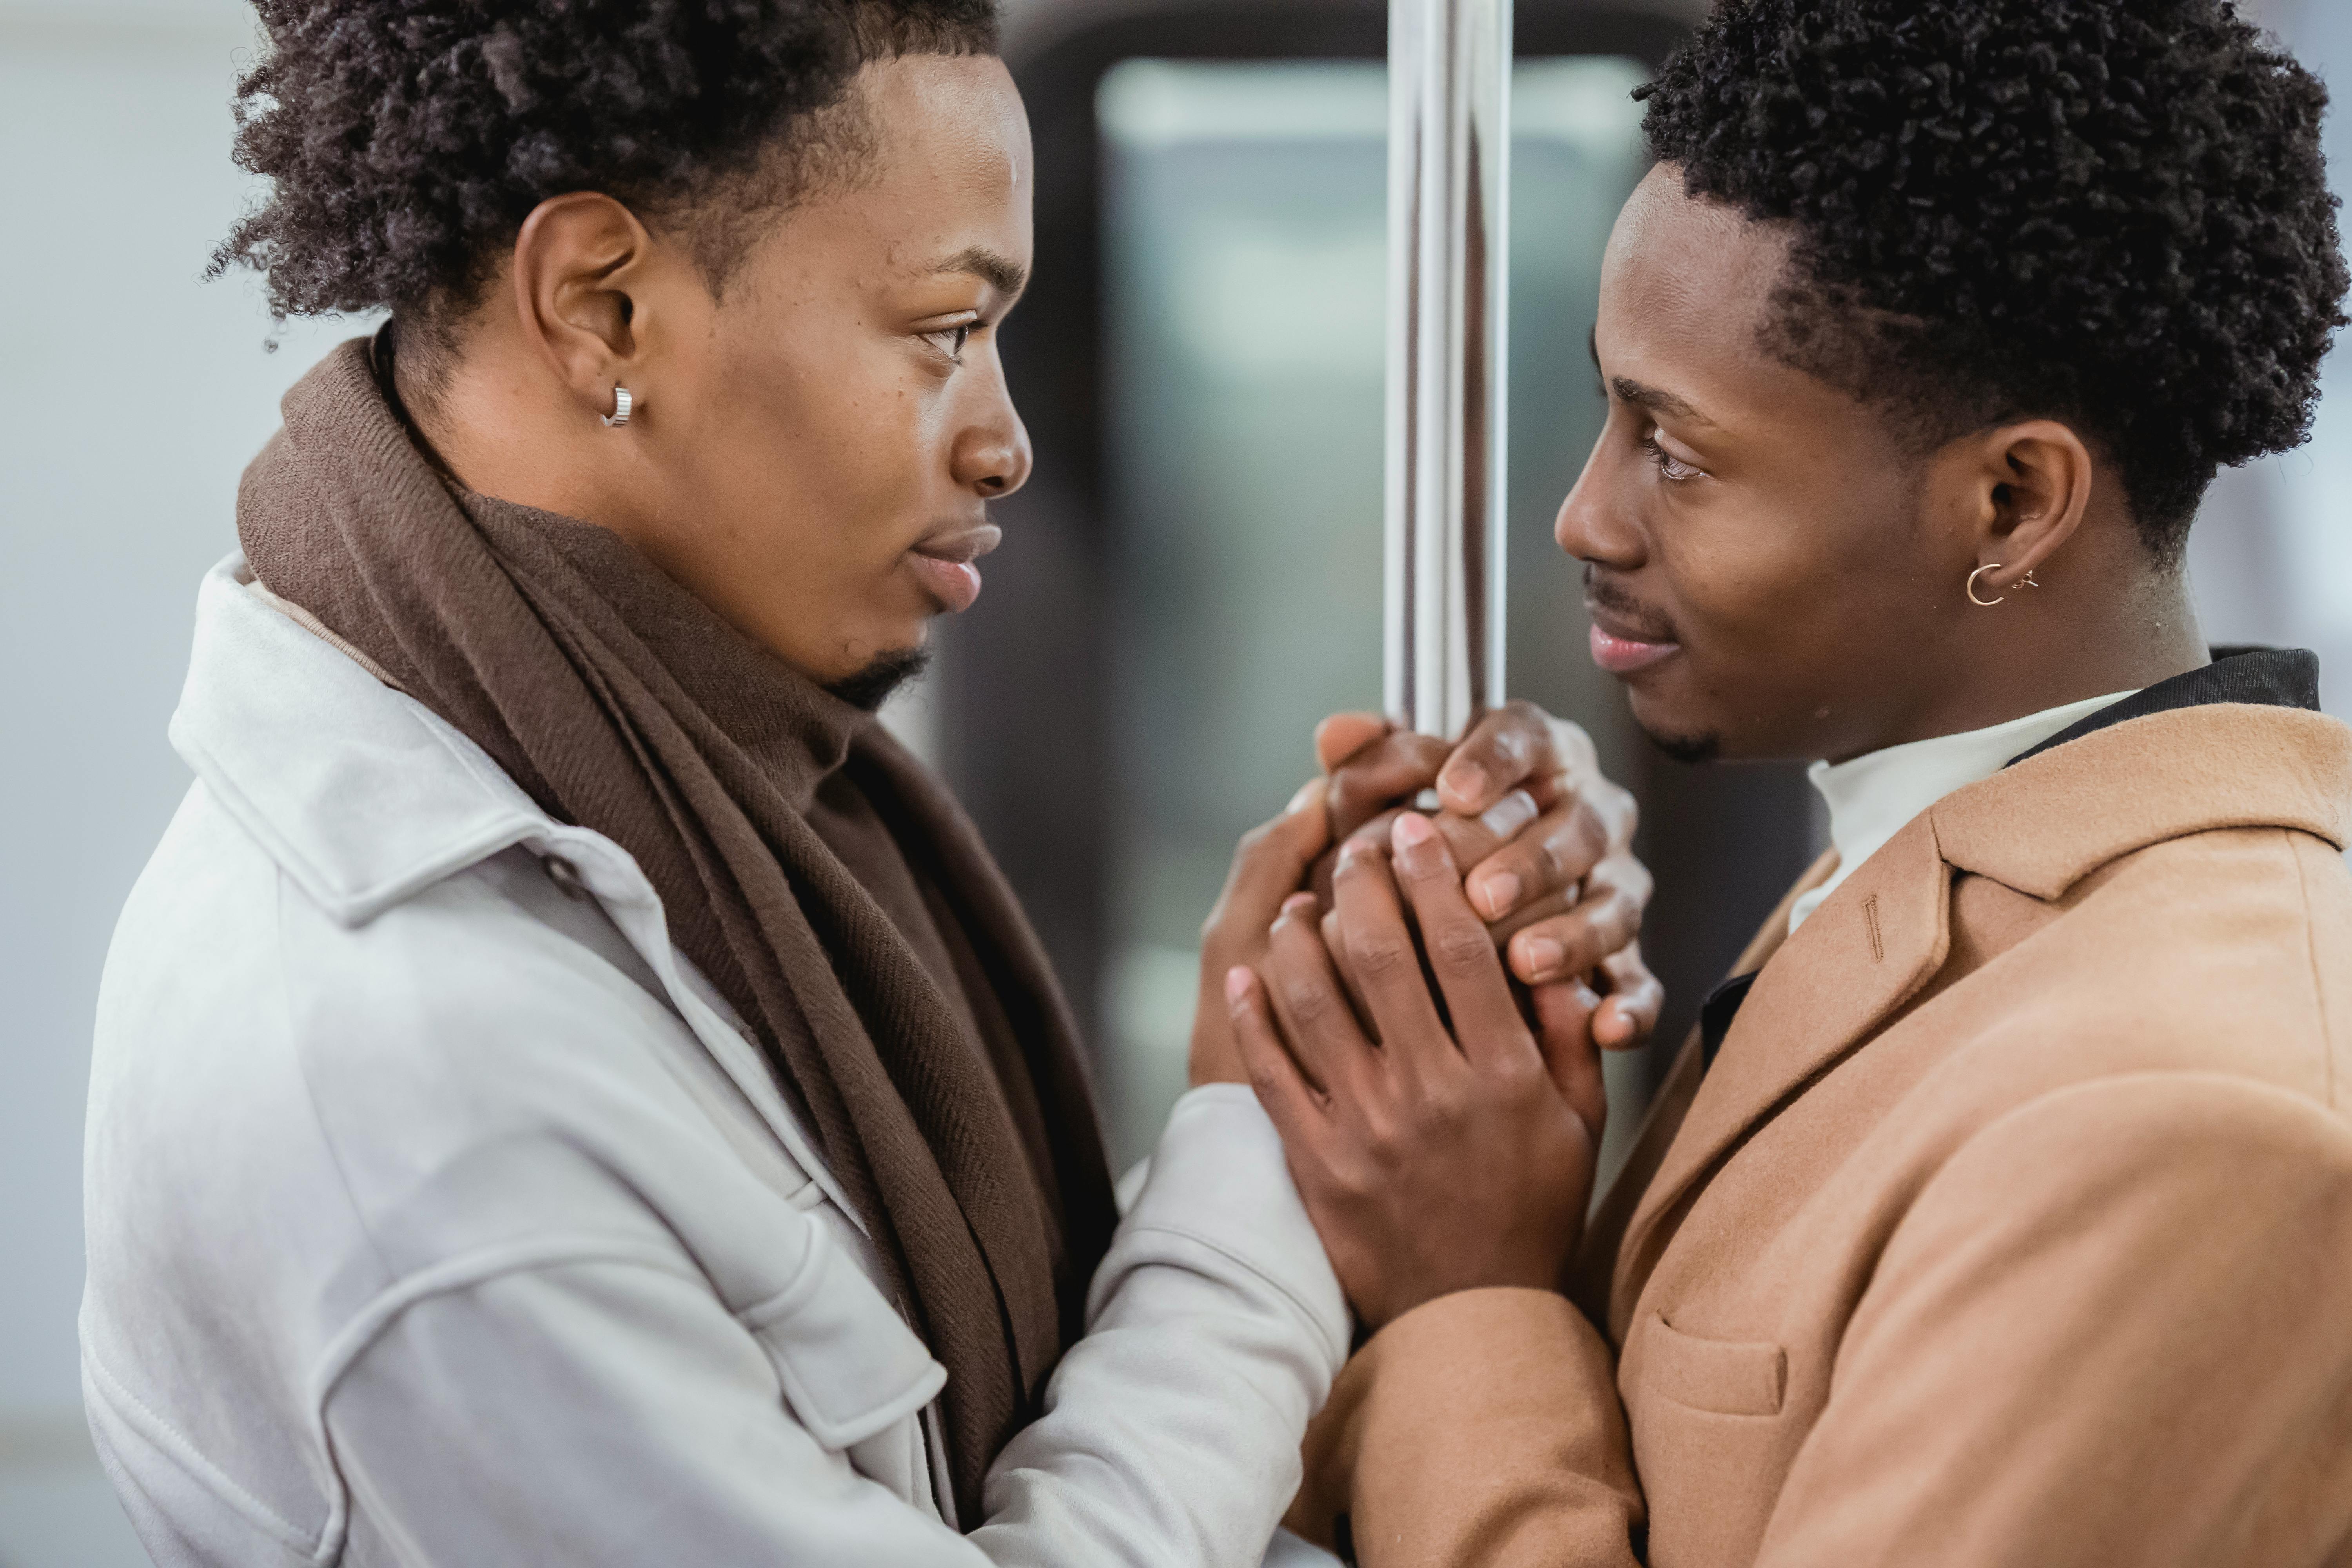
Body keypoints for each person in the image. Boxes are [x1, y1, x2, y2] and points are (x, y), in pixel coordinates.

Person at [77, 3, 1662, 1564]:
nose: (1005, 443)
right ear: (605, 309)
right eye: (944, 330)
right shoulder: (420, 1107)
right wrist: (1265, 1163)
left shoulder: (695, 792)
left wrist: (1308, 1029)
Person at [1227, 1, 2352, 1562]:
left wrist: (1464, 1289)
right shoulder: (1932, 854)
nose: (1583, 516)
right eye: (1609, 407)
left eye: (1674, 449)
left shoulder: (2195, 1120)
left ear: (2012, 502)